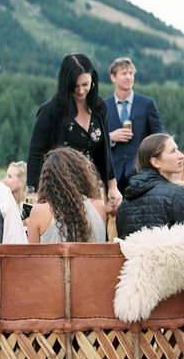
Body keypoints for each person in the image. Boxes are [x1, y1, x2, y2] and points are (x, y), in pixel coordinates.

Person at [27, 53, 122, 214]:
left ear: (93, 80)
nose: (81, 90)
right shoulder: (51, 110)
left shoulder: (99, 107)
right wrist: (33, 193)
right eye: (75, 86)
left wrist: (112, 186)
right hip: (59, 189)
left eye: (85, 84)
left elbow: (105, 151)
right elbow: (35, 153)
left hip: (93, 189)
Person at [105, 57, 164, 194]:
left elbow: (159, 137)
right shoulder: (103, 106)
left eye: (131, 73)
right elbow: (95, 138)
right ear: (113, 77)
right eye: (124, 73)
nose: (129, 77)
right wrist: (111, 137)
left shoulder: (147, 104)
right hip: (112, 177)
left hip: (142, 173)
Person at [27, 147, 106, 243]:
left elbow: (33, 256)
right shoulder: (99, 207)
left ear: (47, 181)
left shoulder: (39, 212)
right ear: (80, 175)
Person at [116, 133, 184, 238]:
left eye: (177, 149)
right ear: (155, 162)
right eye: (172, 151)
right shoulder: (178, 195)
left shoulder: (123, 205)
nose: (181, 155)